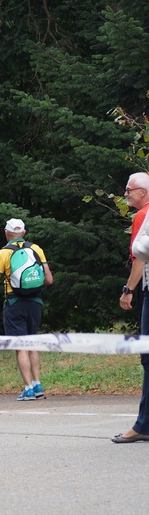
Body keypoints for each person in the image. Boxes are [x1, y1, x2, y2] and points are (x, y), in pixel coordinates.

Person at [0, 218, 53, 401]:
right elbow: (49, 279)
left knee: (20, 346)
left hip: (14, 303)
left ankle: (27, 389)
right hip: (35, 302)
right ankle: (37, 385)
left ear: (6, 234)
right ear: (24, 232)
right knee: (32, 342)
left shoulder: (3, 253)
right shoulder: (36, 249)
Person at [114, 171, 149, 443]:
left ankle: (143, 426)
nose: (125, 194)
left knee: (148, 357)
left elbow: (140, 256)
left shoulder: (142, 216)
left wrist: (129, 290)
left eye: (129, 190)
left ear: (143, 192)